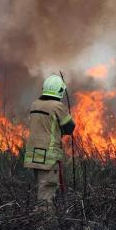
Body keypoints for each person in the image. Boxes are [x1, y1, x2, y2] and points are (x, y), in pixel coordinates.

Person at [23, 75, 76, 207]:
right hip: (49, 155)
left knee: (41, 187)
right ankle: (44, 224)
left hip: (33, 154)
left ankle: (40, 219)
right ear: (60, 91)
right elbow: (70, 127)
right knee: (46, 193)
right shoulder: (57, 106)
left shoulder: (35, 104)